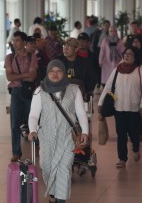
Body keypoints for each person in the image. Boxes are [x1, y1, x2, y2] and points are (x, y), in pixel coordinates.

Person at [28, 59, 89, 203]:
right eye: (52, 71)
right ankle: (53, 192)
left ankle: (61, 199)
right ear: (47, 73)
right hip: (46, 136)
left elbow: (81, 113)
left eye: (59, 71)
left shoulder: (74, 90)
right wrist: (32, 130)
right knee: (46, 166)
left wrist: (85, 131)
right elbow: (34, 114)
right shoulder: (39, 91)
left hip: (67, 136)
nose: (55, 74)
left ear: (64, 73)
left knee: (64, 168)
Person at [98, 47, 142, 168]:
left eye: (130, 54)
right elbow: (108, 88)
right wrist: (101, 103)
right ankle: (122, 158)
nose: (126, 56)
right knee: (121, 134)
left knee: (134, 133)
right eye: (125, 54)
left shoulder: (139, 71)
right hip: (119, 108)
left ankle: (136, 149)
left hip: (134, 109)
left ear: (135, 57)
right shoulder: (117, 70)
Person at [5, 31, 38, 162]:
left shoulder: (31, 57)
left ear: (24, 43)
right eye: (14, 40)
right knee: (15, 123)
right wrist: (25, 75)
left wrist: (17, 76)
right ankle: (16, 152)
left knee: (33, 121)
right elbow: (9, 77)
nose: (14, 42)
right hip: (16, 92)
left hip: (29, 91)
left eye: (17, 40)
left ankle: (38, 148)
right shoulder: (9, 57)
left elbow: (33, 75)